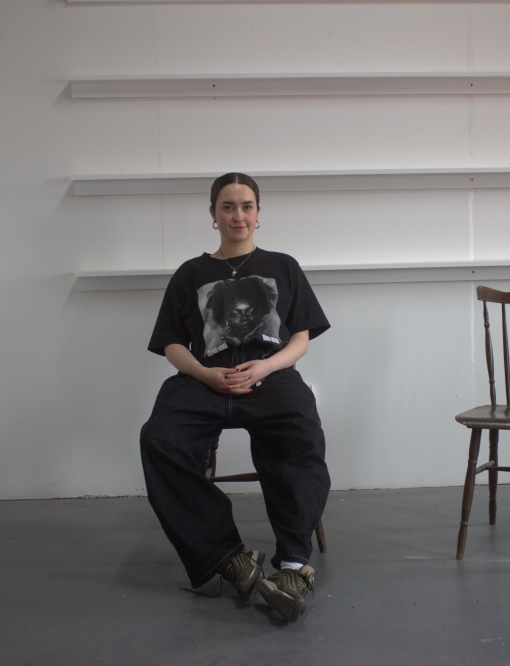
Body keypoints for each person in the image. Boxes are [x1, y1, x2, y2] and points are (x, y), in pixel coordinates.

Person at [140, 172, 331, 623]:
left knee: (300, 434)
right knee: (160, 439)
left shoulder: (283, 266)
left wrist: (267, 366)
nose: (238, 215)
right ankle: (229, 558)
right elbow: (172, 343)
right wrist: (205, 374)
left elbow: (300, 339)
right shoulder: (190, 273)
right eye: (227, 206)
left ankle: (292, 566)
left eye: (246, 206)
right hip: (205, 378)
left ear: (258, 214)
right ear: (213, 214)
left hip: (270, 374)